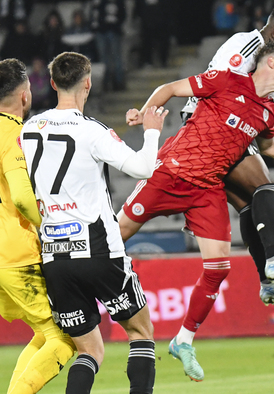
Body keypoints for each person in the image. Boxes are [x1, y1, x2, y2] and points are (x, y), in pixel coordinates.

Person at [120, 40, 274, 382]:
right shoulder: (226, 79)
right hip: (170, 173)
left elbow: (268, 147)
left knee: (218, 268)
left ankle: (183, 340)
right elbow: (170, 88)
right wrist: (140, 112)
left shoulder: (270, 112)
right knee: (116, 237)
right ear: (271, 63)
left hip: (207, 190)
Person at [171, 5, 274, 307]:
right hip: (211, 126)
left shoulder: (267, 64)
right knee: (265, 186)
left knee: (251, 205)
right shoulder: (243, 46)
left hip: (231, 127)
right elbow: (220, 88)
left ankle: (269, 282)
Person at [20, 52, 166, 394]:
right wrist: (151, 133)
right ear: (88, 82)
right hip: (99, 249)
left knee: (89, 350)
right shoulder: (91, 131)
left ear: (53, 84)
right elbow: (143, 168)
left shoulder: (28, 130)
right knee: (140, 332)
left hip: (55, 256)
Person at [0, 58, 76, 394]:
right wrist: (50, 224)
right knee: (66, 336)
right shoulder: (15, 135)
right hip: (15, 254)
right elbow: (20, 197)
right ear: (25, 97)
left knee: (44, 332)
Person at [91, 0, 126, 91]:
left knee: (116, 58)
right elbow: (96, 15)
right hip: (102, 31)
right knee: (104, 59)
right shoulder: (101, 3)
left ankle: (118, 82)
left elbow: (122, 14)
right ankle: (106, 82)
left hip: (113, 31)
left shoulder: (118, 2)